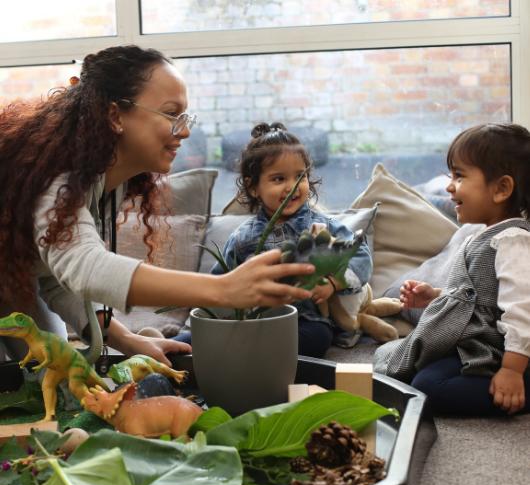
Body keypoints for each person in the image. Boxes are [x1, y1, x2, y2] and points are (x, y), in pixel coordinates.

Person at [0, 46, 315, 368]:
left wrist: (125, 339)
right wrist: (223, 289)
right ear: (114, 116)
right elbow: (85, 267)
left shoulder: (101, 180)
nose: (186, 130)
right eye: (170, 113)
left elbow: (55, 274)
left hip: (11, 286)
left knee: (49, 379)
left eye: (185, 116)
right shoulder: (57, 176)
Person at [374, 123, 530, 416]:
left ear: (501, 189)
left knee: (431, 389)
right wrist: (436, 296)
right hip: (474, 345)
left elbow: (522, 310)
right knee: (412, 371)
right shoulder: (482, 236)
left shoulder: (514, 243)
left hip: (499, 354)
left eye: (459, 176)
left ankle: (519, 389)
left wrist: (511, 370)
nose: (449, 186)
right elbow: (479, 296)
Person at [208, 122, 372, 357]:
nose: (292, 186)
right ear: (253, 187)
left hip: (307, 320)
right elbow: (219, 282)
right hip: (256, 322)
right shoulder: (243, 238)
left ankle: (254, 354)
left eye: (300, 176)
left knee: (317, 338)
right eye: (278, 179)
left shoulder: (323, 226)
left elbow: (360, 254)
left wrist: (334, 284)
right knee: (204, 335)